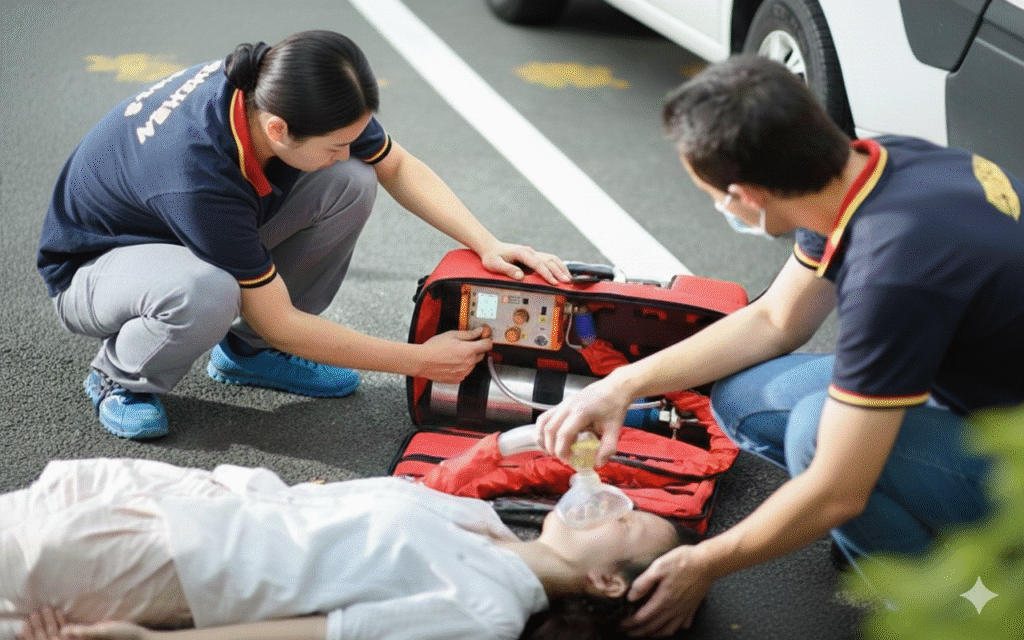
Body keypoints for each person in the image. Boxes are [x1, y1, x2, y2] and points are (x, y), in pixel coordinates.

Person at [536, 54, 1018, 636]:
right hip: (978, 387)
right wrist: (621, 384)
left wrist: (705, 562)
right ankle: (913, 509)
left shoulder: (892, 272)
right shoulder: (869, 167)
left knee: (818, 438)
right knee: (745, 394)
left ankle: (956, 610)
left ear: (744, 196)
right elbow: (775, 318)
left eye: (711, 193)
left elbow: (837, 491)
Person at [37, 30, 569, 440]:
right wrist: (421, 361)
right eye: (337, 142)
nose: (347, 147)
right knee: (206, 290)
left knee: (353, 180)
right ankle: (120, 375)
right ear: (277, 131)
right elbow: (284, 322)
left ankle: (248, 353)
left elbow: (396, 166)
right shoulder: (196, 174)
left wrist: (486, 241)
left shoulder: (291, 90)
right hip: (97, 268)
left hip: (186, 237)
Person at [0, 457, 690, 640]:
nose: (612, 504)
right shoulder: (482, 521)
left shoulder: (486, 614)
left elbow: (320, 634)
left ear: (605, 582)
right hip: (181, 499)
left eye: (628, 524)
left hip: (178, 563)